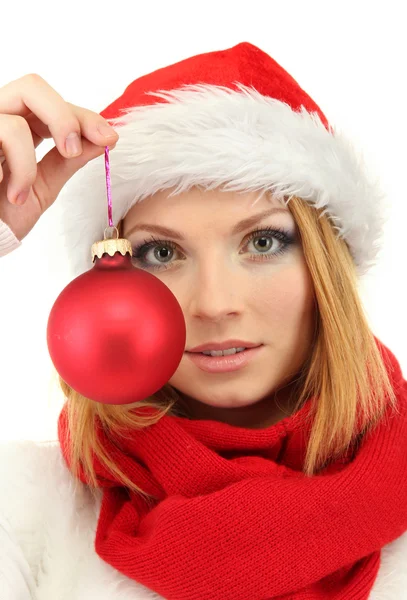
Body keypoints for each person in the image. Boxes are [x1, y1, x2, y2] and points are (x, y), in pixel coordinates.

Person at [0, 42, 406, 600]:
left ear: (325, 269)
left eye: (263, 241)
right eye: (162, 254)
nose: (215, 304)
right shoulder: (25, 512)